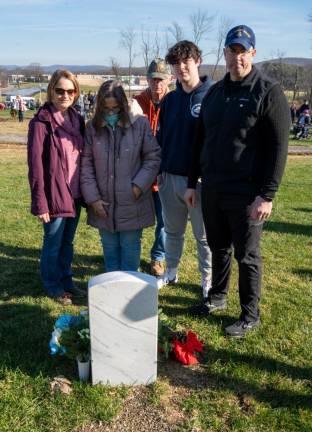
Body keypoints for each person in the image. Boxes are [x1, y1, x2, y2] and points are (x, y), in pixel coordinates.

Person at [185, 25, 290, 337]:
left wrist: (266, 195)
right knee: (218, 247)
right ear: (225, 53)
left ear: (253, 53)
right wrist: (192, 182)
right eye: (232, 50)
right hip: (213, 187)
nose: (237, 57)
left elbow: (279, 148)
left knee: (247, 255)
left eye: (243, 51)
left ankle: (249, 315)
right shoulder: (215, 93)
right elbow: (199, 140)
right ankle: (217, 297)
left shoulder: (268, 91)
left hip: (247, 192)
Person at [80, 80, 161, 272]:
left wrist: (138, 186)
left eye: (115, 109)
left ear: (123, 105)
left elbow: (153, 157)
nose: (111, 114)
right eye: (106, 109)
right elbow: (86, 165)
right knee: (109, 248)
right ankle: (112, 288)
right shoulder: (92, 128)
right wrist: (93, 199)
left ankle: (129, 287)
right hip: (103, 203)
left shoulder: (139, 124)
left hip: (133, 201)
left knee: (130, 247)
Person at [156, 40, 213, 298]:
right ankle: (171, 271)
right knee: (173, 231)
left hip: (200, 182)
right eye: (176, 63)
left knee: (204, 237)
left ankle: (207, 280)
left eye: (186, 61)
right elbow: (161, 139)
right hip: (170, 178)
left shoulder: (212, 96)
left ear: (197, 61)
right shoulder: (170, 100)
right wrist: (160, 172)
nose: (181, 67)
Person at [27, 69, 85, 306]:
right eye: (59, 90)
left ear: (76, 93)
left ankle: (66, 279)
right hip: (54, 195)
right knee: (53, 242)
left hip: (75, 193)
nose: (64, 95)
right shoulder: (41, 122)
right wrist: (40, 202)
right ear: (52, 90)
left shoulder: (77, 119)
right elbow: (36, 166)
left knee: (68, 242)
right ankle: (53, 285)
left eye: (70, 91)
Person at [134, 58, 172, 276]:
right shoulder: (137, 102)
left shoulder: (175, 102)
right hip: (139, 173)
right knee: (135, 219)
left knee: (165, 223)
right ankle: (131, 254)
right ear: (147, 79)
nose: (157, 84)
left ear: (169, 79)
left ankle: (158, 257)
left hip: (164, 175)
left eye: (161, 79)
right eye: (153, 79)